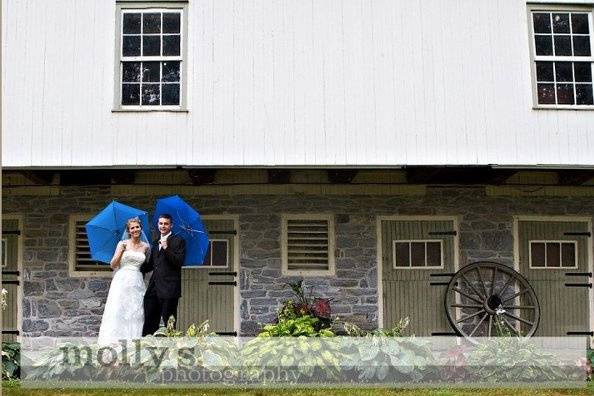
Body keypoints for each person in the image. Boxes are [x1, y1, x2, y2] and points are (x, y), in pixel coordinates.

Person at [97, 217, 150, 345]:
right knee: (119, 310)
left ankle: (133, 343)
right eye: (132, 228)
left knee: (136, 311)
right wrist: (121, 252)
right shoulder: (122, 244)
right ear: (129, 231)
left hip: (137, 280)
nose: (135, 229)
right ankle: (114, 344)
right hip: (122, 280)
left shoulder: (146, 247)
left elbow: (147, 265)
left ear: (141, 228)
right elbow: (113, 264)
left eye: (137, 227)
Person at [141, 214, 186, 336]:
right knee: (149, 320)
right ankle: (149, 348)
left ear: (171, 225)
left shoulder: (179, 241)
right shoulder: (156, 243)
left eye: (166, 223)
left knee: (169, 323)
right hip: (154, 287)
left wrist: (166, 247)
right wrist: (134, 266)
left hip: (169, 289)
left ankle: (170, 349)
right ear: (158, 225)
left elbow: (178, 262)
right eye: (161, 223)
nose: (163, 226)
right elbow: (151, 265)